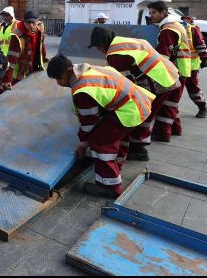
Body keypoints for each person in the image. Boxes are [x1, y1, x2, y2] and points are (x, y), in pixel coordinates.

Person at [47, 54, 154, 197]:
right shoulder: (88, 69)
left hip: (129, 110)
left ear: (69, 70)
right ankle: (117, 164)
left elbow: (89, 122)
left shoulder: (82, 89)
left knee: (99, 141)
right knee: (114, 134)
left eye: (60, 78)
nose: (59, 83)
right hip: (138, 103)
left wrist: (83, 143)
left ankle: (109, 186)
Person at [87, 26, 181, 161]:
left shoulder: (114, 54)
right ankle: (139, 145)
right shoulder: (125, 41)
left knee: (140, 112)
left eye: (98, 47)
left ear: (102, 44)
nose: (99, 50)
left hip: (159, 82)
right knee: (145, 112)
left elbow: (126, 85)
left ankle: (139, 149)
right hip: (169, 75)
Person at [147, 1, 193, 142]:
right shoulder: (175, 25)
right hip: (181, 68)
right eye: (150, 12)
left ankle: (162, 134)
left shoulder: (167, 30)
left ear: (163, 13)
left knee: (165, 104)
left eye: (154, 12)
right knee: (172, 102)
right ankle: (175, 129)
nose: (151, 15)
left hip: (174, 71)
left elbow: (163, 57)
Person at [3, 10, 47, 89]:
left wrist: (44, 58)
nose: (31, 25)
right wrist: (7, 79)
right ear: (23, 22)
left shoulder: (39, 31)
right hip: (20, 73)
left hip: (34, 69)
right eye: (28, 22)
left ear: (38, 21)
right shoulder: (16, 36)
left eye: (33, 22)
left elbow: (41, 46)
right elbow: (11, 59)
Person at [182, 16, 207, 118]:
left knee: (192, 87)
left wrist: (204, 59)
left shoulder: (193, 29)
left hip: (191, 65)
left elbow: (200, 44)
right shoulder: (179, 28)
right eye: (183, 20)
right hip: (180, 64)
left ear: (191, 21)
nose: (184, 21)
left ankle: (203, 107)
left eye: (186, 20)